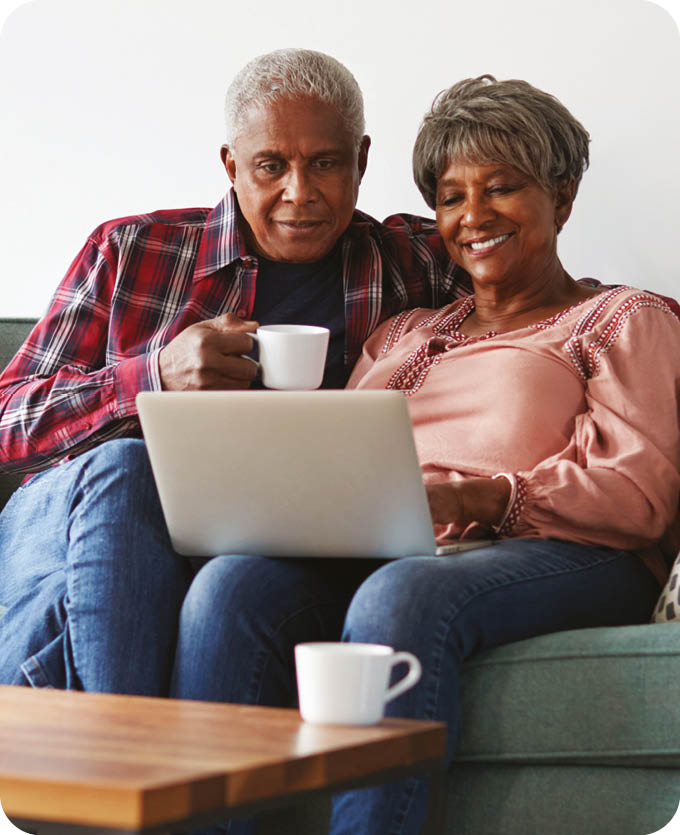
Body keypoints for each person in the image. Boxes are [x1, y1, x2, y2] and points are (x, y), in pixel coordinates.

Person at [166, 76, 680, 835]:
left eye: (502, 188)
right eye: (450, 198)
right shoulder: (404, 330)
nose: (473, 217)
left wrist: (478, 498)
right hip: (402, 544)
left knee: (401, 595)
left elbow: (639, 495)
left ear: (563, 197)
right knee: (230, 587)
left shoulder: (623, 318)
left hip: (564, 549)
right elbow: (341, 458)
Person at [0, 48, 469, 693]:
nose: (298, 194)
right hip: (79, 521)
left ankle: (127, 765)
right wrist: (152, 377)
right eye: (271, 166)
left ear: (361, 160)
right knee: (130, 469)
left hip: (261, 551)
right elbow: (9, 422)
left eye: (325, 164)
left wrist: (635, 318)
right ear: (231, 166)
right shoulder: (131, 250)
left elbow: (547, 303)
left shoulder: (420, 266)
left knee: (207, 588)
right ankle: (130, 760)